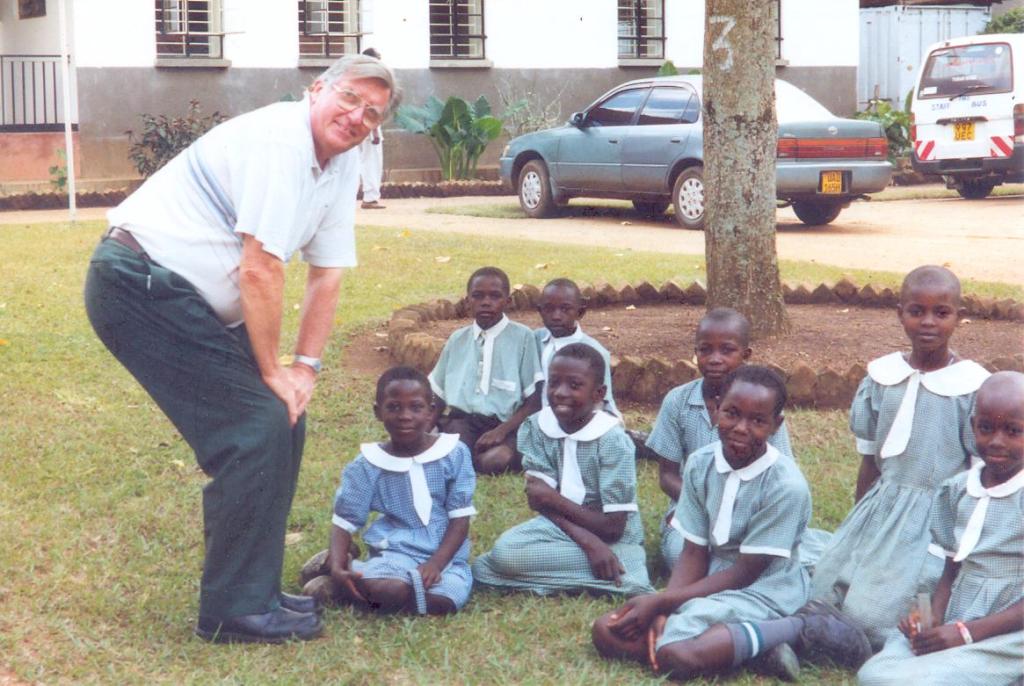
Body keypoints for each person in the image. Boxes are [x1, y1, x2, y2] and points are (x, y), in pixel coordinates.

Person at [83, 54, 399, 643]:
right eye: (349, 98)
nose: (357, 116)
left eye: (372, 113)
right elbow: (260, 268)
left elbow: (327, 272)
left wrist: (305, 369)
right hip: (137, 285)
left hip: (182, 297)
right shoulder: (281, 140)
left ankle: (255, 593)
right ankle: (232, 612)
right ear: (317, 89)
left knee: (283, 418)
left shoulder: (341, 162)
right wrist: (273, 369)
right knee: (255, 425)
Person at [592, 366, 821, 680]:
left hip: (766, 589)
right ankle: (751, 647)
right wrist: (665, 609)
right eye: (732, 413)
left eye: (757, 421)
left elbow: (745, 572)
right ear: (715, 410)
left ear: (775, 425)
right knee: (606, 630)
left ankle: (798, 627)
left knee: (678, 653)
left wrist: (662, 602)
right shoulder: (701, 464)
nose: (741, 428)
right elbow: (693, 552)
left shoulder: (785, 486)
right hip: (713, 581)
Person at [808, 265, 990, 650]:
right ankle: (814, 625)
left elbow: (978, 476)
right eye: (916, 311)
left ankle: (888, 637)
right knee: (822, 584)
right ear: (900, 313)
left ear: (958, 316)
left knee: (880, 615)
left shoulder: (969, 387)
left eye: (941, 312)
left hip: (935, 522)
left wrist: (960, 540)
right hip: (882, 505)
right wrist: (859, 524)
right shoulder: (882, 377)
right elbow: (870, 462)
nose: (928, 322)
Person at [858, 371, 1024, 686]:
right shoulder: (956, 490)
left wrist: (966, 633)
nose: (997, 441)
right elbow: (949, 570)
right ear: (972, 425)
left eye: (1013, 431)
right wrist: (929, 617)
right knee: (874, 674)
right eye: (986, 428)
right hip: (960, 614)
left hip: (1010, 628)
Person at [472, 344, 653, 597]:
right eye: (554, 383)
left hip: (613, 538)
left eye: (574, 385)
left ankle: (621, 567)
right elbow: (539, 501)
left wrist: (552, 498)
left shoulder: (613, 442)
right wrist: (589, 544)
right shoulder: (538, 427)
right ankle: (609, 574)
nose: (560, 393)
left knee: (494, 566)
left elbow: (613, 527)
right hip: (559, 527)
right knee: (504, 553)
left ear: (599, 394)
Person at [303, 367, 476, 616]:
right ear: (378, 412)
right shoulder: (368, 465)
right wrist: (339, 566)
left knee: (444, 603)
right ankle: (340, 570)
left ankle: (349, 589)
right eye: (394, 407)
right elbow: (345, 520)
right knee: (390, 590)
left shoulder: (454, 453)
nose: (405, 416)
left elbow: (460, 519)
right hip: (396, 553)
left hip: (445, 557)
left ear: (431, 411)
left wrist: (436, 564)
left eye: (416, 407)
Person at [645, 308, 794, 569]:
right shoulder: (677, 401)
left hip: (751, 511)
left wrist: (738, 515)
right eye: (705, 350)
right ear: (695, 353)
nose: (715, 359)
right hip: (692, 510)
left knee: (771, 560)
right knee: (680, 556)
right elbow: (667, 476)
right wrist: (705, 509)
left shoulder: (763, 404)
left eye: (727, 350)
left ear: (746, 355)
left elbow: (781, 474)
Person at [429, 266, 544, 475]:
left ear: (508, 301)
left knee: (497, 460)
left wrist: (501, 431)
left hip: (505, 425)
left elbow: (534, 401)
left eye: (495, 296)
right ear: (467, 301)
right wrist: (423, 429)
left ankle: (471, 460)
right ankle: (459, 455)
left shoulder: (523, 337)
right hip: (463, 421)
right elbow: (438, 394)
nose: (486, 302)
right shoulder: (458, 339)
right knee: (452, 451)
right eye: (478, 296)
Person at [533, 278, 619, 417]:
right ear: (540, 310)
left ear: (580, 312)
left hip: (577, 421)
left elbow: (603, 402)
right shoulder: (534, 340)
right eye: (549, 309)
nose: (556, 316)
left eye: (565, 309)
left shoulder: (594, 352)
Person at [358, 47, 386, 210]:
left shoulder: (357, 77)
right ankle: (370, 198)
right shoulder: (372, 80)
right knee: (372, 162)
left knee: (357, 162)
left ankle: (353, 197)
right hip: (369, 124)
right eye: (378, 58)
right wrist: (375, 130)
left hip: (356, 123)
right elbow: (370, 105)